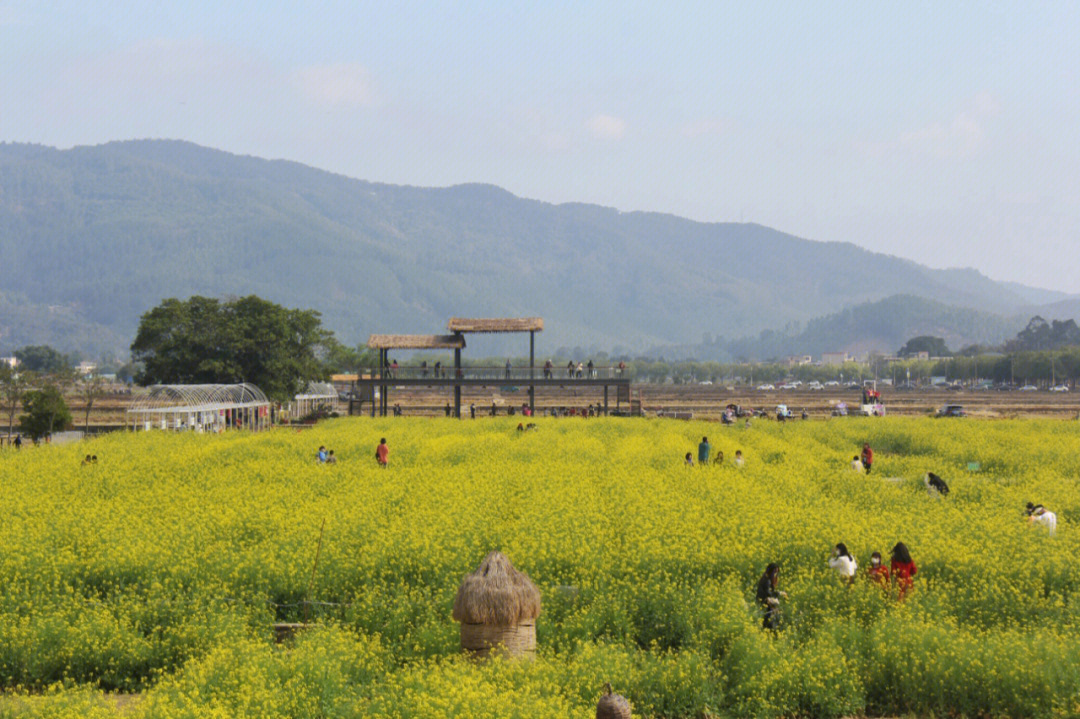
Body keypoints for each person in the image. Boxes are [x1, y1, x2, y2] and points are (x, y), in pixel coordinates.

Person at [755, 563, 787, 630]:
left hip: (763, 601)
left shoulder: (766, 578)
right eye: (774, 572)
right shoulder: (767, 580)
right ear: (770, 571)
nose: (775, 574)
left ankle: (768, 629)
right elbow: (768, 593)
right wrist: (779, 593)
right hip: (763, 602)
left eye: (777, 572)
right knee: (771, 614)